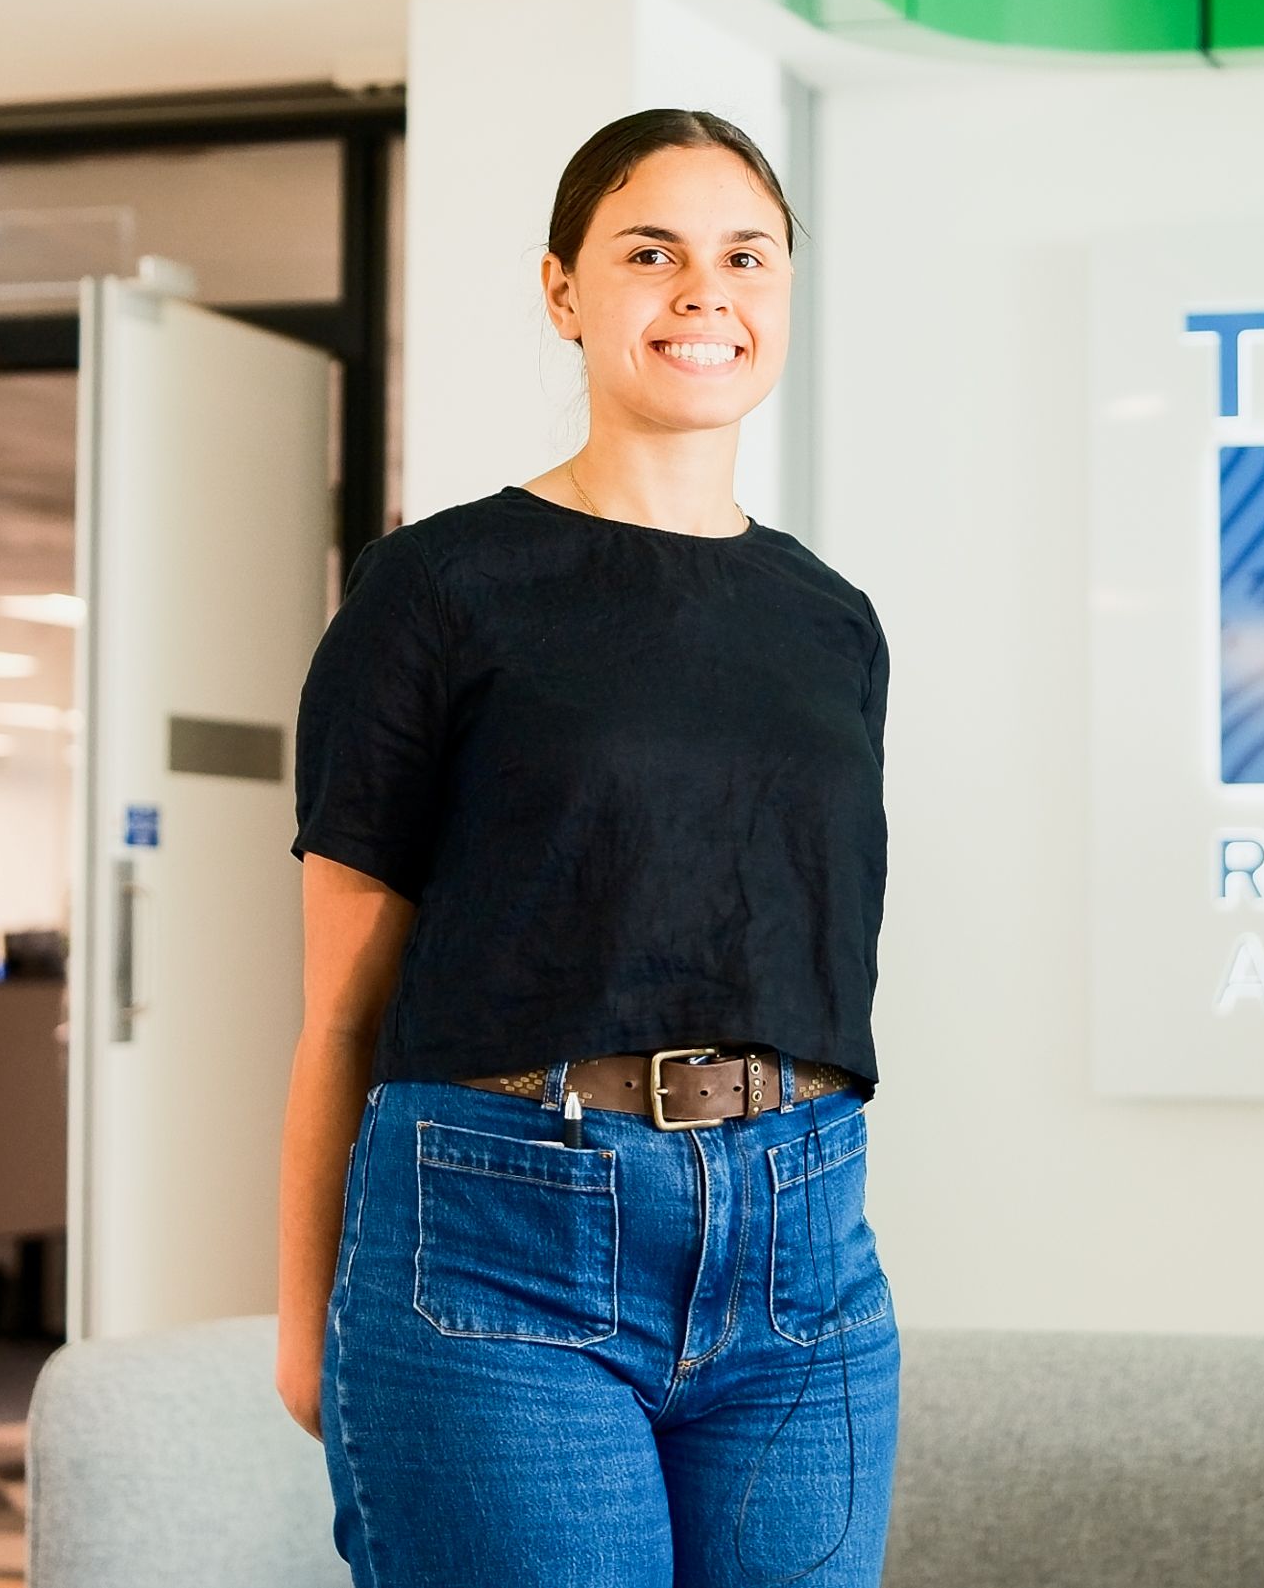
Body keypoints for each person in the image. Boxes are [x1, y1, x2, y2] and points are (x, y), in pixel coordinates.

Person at [276, 110, 897, 1588]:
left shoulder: (836, 622)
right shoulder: (436, 586)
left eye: (746, 254)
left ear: (786, 292)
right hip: (498, 1230)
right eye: (650, 252)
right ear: (564, 291)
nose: (704, 290)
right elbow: (340, 1008)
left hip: (804, 1243)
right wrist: (308, 1318)